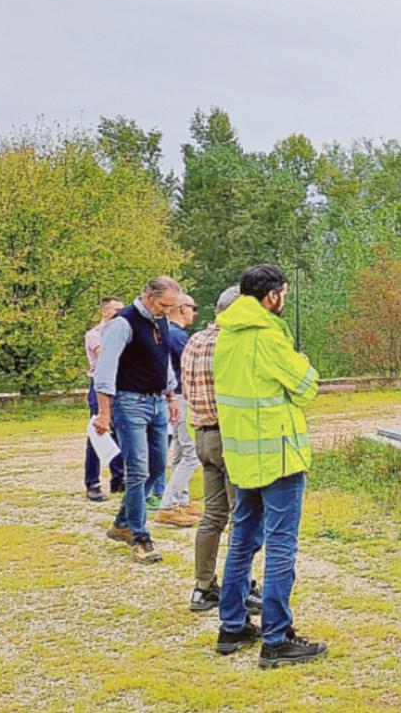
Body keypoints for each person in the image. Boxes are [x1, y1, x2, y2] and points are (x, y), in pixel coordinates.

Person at [213, 264, 326, 668]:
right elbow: (305, 386)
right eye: (284, 294)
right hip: (279, 457)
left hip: (243, 458)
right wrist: (304, 362)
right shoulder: (269, 338)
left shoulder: (224, 337)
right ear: (272, 296)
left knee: (242, 539)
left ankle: (232, 624)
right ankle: (276, 638)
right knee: (281, 546)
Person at [181, 285, 263, 616]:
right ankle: (239, 588)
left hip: (202, 434)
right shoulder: (229, 343)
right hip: (230, 436)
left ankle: (203, 587)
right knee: (241, 517)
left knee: (213, 516)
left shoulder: (194, 341)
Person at [92, 277, 182, 564]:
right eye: (162, 305)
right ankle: (140, 537)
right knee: (138, 470)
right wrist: (104, 413)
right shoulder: (123, 323)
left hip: (157, 401)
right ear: (148, 296)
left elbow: (163, 359)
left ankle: (122, 523)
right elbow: (105, 371)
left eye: (171, 307)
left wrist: (170, 395)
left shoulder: (162, 320)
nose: (166, 311)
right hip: (130, 401)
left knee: (157, 467)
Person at [157, 294, 203, 528]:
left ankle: (181, 502)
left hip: (173, 398)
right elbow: (192, 366)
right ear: (182, 308)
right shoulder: (176, 336)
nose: (194, 313)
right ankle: (168, 505)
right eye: (193, 308)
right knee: (191, 453)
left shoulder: (166, 332)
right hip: (182, 397)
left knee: (179, 453)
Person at [83, 296, 126, 501]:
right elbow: (109, 355)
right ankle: (93, 482)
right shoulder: (94, 335)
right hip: (100, 385)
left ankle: (119, 478)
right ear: (105, 312)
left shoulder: (123, 333)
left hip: (119, 384)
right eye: (116, 310)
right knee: (98, 432)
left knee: (119, 432)